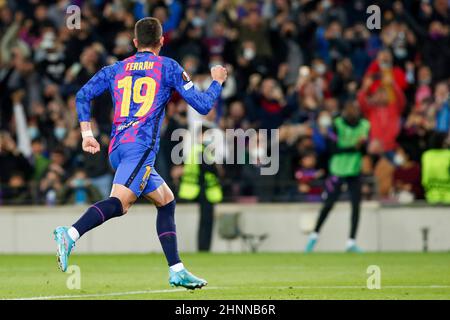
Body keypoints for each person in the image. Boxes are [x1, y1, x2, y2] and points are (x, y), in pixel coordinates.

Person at [53, 17, 227, 290]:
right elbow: (203, 106)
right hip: (140, 147)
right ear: (161, 41)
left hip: (118, 147)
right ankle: (71, 233)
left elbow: (83, 95)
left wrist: (87, 134)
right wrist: (217, 82)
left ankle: (177, 270)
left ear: (135, 43)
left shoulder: (117, 68)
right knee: (120, 203)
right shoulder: (168, 67)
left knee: (166, 200)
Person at [305, 101, 370, 253]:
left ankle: (351, 242)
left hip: (354, 170)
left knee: (356, 206)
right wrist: (355, 147)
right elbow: (333, 149)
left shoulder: (365, 125)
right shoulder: (337, 124)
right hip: (338, 170)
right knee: (328, 205)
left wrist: (362, 146)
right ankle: (314, 236)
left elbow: (365, 151)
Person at [178, 125, 223, 252]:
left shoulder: (196, 150)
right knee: (206, 222)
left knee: (205, 222)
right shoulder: (202, 150)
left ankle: (203, 248)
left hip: (199, 189)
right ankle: (204, 248)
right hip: (204, 190)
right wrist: (216, 168)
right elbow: (211, 170)